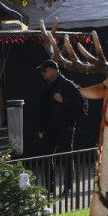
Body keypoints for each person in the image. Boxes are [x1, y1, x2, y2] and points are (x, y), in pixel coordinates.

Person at [36, 58, 86, 197]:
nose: (42, 74)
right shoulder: (46, 86)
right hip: (49, 128)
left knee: (66, 156)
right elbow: (42, 108)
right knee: (47, 156)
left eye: (44, 71)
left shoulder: (67, 84)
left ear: (53, 71)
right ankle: (49, 187)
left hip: (65, 127)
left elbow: (81, 101)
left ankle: (68, 186)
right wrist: (40, 128)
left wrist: (63, 100)